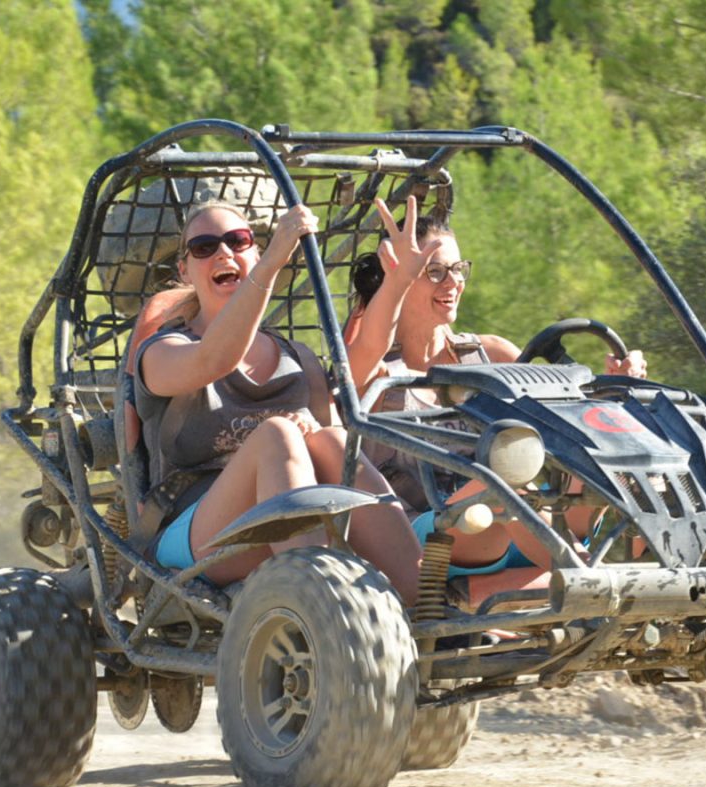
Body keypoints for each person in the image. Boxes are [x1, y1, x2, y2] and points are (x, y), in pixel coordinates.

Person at [344, 197, 647, 603]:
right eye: (433, 272)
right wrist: (396, 282)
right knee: (497, 487)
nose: (452, 283)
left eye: (458, 269)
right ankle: (595, 589)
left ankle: (652, 579)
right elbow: (358, 360)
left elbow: (568, 414)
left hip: (520, 523)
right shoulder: (378, 367)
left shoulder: (491, 354)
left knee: (603, 465)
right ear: (400, 277)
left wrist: (614, 388)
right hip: (434, 532)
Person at [132, 200, 423, 605]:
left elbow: (352, 389)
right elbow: (214, 359)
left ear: (252, 250)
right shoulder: (163, 351)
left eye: (238, 241)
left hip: (290, 534)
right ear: (184, 270)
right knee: (278, 436)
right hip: (194, 535)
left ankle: (424, 606)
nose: (223, 253)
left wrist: (399, 283)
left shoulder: (297, 357)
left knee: (334, 441)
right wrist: (271, 264)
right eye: (204, 247)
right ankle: (328, 607)